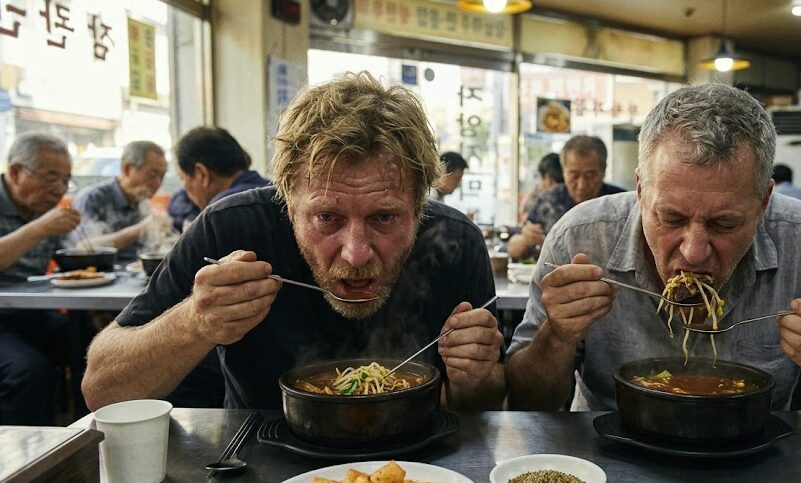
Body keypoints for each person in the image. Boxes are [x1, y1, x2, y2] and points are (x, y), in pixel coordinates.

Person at [82, 72, 506, 411]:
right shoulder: (231, 229)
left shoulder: (456, 243)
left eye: (384, 217)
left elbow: (485, 405)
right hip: (255, 455)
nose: (356, 253)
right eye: (327, 217)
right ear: (286, 200)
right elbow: (101, 390)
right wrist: (194, 321)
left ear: (419, 204)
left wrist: (477, 378)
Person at [504, 84, 801, 412]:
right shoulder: (580, 237)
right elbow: (525, 401)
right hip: (605, 453)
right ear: (641, 191)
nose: (695, 251)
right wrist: (556, 336)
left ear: (764, 202)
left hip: (757, 455)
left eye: (724, 223)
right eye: (671, 218)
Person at [0, 133, 87, 424]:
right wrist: (39, 228)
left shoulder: (43, 211)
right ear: (15, 172)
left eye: (66, 180)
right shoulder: (43, 218)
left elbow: (72, 257)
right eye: (51, 178)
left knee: (99, 348)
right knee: (29, 370)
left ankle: (87, 432)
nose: (59, 189)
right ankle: (26, 449)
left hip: (32, 313)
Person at [508, 136, 624, 260]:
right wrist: (526, 239)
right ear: (564, 171)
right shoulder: (548, 201)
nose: (581, 185)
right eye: (574, 175)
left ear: (603, 171)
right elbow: (514, 250)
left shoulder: (621, 204)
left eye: (590, 175)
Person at [73, 141, 169, 262]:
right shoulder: (93, 198)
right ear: (127, 169)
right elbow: (83, 247)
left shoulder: (142, 202)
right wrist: (140, 229)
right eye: (152, 175)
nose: (158, 183)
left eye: (162, 176)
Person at [167, 127, 270, 232]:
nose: (184, 187)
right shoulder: (272, 191)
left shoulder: (219, 214)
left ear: (201, 174)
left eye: (183, 178)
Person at [518, 152, 563, 223]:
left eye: (541, 178)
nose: (539, 184)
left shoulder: (544, 200)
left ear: (548, 179)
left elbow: (526, 221)